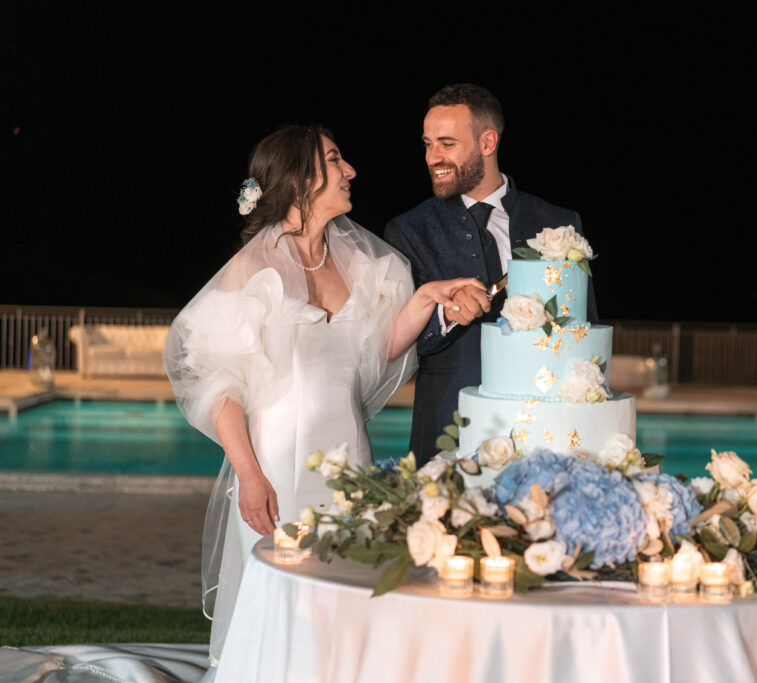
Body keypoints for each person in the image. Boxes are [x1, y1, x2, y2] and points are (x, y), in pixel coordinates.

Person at [163, 125, 483, 664]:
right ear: (302, 179)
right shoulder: (253, 269)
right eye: (335, 160)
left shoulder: (357, 261)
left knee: (345, 598)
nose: (350, 170)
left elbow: (376, 349)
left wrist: (426, 298)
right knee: (288, 610)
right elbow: (220, 384)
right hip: (279, 468)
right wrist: (248, 474)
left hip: (349, 463)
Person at [384, 84, 598, 465]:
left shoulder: (559, 224)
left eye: (446, 144)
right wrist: (444, 315)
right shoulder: (408, 231)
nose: (433, 157)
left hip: (545, 430)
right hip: (447, 428)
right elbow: (395, 346)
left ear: (487, 142)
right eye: (427, 144)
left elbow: (585, 328)